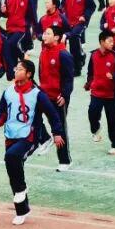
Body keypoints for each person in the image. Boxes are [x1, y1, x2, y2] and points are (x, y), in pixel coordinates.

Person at [0, 59, 66, 227]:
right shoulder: (8, 91)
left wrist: (57, 133)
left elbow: (52, 114)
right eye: (16, 68)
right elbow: (2, 112)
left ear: (29, 74)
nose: (16, 71)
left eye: (20, 69)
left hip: (29, 137)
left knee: (11, 157)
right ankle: (22, 211)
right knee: (13, 168)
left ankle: (21, 190)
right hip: (11, 136)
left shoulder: (37, 94)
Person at [37, 25, 74, 172]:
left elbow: (68, 78)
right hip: (44, 95)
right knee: (32, 117)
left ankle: (64, 160)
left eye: (48, 33)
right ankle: (45, 138)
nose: (44, 36)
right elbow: (40, 73)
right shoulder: (43, 52)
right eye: (44, 33)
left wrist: (64, 95)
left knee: (59, 128)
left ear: (57, 37)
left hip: (58, 98)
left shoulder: (63, 54)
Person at [84, 30, 115, 154]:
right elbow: (90, 72)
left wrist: (114, 75)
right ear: (102, 42)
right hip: (96, 92)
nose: (112, 43)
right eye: (110, 41)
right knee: (92, 113)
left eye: (113, 41)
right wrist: (89, 83)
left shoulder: (114, 56)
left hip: (111, 94)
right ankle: (96, 129)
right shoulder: (94, 55)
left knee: (113, 120)